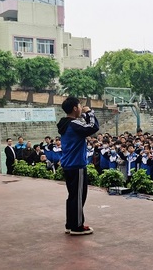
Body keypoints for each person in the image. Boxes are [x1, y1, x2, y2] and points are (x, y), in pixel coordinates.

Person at [57, 97, 99, 236]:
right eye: (80, 106)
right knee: (79, 196)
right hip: (77, 164)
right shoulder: (74, 124)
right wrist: (90, 112)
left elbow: (85, 128)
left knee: (73, 196)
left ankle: (70, 224)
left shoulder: (65, 124)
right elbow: (93, 127)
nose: (81, 107)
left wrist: (85, 115)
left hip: (68, 164)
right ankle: (77, 226)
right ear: (75, 108)